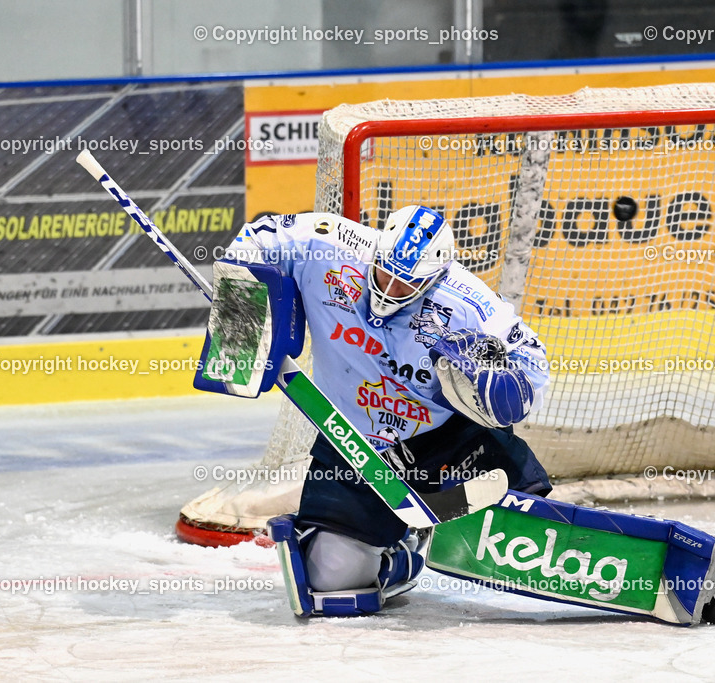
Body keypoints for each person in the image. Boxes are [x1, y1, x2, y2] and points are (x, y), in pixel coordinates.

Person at [224, 205, 551, 616]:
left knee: (531, 532)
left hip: (443, 440)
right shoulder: (326, 246)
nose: (390, 288)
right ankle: (402, 556)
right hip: (352, 444)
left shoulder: (468, 303)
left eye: (406, 285)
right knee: (332, 584)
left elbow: (534, 367)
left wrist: (500, 382)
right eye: (385, 272)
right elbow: (256, 238)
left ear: (434, 278)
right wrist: (241, 316)